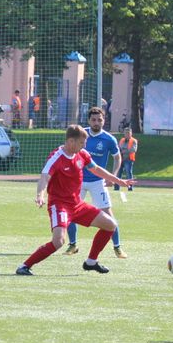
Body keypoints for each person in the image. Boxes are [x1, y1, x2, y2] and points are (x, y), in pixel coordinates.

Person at [15, 124, 133, 276]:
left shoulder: (82, 154)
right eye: (82, 143)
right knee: (58, 242)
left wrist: (117, 180)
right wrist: (40, 195)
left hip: (77, 205)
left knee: (110, 224)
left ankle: (91, 262)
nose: (84, 146)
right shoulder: (56, 157)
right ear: (71, 141)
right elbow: (45, 176)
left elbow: (96, 169)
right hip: (60, 206)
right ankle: (24, 266)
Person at [64, 107, 128, 259]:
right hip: (78, 181)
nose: (96, 122)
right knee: (69, 213)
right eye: (93, 120)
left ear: (104, 120)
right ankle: (72, 245)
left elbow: (117, 158)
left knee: (108, 215)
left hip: (98, 182)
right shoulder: (81, 135)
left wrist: (112, 176)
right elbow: (68, 152)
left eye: (100, 120)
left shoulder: (109, 139)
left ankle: (117, 247)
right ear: (88, 121)